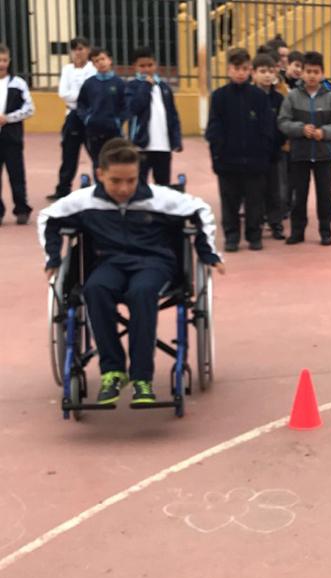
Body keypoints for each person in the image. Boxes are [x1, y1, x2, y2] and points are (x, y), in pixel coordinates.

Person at [38, 139, 224, 405]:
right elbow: (48, 218)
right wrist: (52, 257)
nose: (124, 188)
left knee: (142, 291)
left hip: (154, 263)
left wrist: (208, 252)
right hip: (108, 263)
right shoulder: (86, 201)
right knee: (94, 288)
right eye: (115, 181)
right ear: (100, 174)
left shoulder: (160, 198)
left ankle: (141, 378)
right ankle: (113, 371)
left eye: (131, 180)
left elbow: (201, 210)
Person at [205, 47, 274, 252]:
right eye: (236, 68)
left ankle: (254, 236)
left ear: (250, 70)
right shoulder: (219, 97)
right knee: (229, 201)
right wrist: (217, 155)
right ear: (229, 69)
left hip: (254, 161)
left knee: (254, 201)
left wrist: (264, 154)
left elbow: (267, 128)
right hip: (228, 161)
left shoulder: (259, 97)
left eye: (245, 68)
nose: (240, 72)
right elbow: (214, 129)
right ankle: (232, 236)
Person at [278, 51, 331, 246]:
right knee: (299, 196)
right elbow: (283, 121)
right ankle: (298, 231)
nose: (312, 75)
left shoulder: (330, 98)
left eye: (316, 72)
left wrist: (324, 132)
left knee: (325, 196)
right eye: (308, 71)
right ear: (303, 73)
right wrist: (300, 129)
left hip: (324, 156)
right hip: (299, 155)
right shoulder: (293, 97)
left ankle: (325, 231)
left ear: (322, 73)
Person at [125, 46, 183, 186]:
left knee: (163, 184)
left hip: (163, 146)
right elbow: (134, 107)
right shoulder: (131, 86)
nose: (146, 69)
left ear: (155, 65)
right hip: (141, 146)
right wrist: (145, 86)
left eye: (150, 65)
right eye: (142, 66)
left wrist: (176, 140)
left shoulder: (164, 88)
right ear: (135, 67)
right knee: (139, 183)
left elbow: (172, 115)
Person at [48, 37, 96, 201]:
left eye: (81, 48)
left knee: (95, 152)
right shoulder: (67, 69)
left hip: (90, 116)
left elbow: (91, 93)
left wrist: (79, 98)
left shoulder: (92, 69)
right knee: (69, 154)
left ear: (88, 50)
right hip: (72, 115)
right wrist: (80, 98)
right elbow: (63, 93)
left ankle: (100, 185)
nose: (78, 52)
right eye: (75, 49)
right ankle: (63, 188)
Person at [251, 52, 290, 240]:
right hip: (254, 153)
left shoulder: (279, 99)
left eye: (270, 71)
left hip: (274, 152)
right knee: (255, 191)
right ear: (254, 73)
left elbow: (283, 124)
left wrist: (281, 141)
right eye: (262, 71)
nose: (267, 75)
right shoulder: (249, 97)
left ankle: (276, 224)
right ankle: (256, 224)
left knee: (275, 191)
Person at [0, 43, 35, 226]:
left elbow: (29, 109)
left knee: (16, 174)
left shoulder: (18, 83)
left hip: (11, 136)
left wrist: (8, 118)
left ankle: (21, 209)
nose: (2, 64)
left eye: (5, 60)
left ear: (9, 60)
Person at [77, 48, 127, 169]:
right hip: (94, 131)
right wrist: (87, 119)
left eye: (103, 59)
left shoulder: (119, 83)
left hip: (114, 131)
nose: (101, 63)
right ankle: (99, 186)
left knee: (115, 162)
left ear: (110, 60)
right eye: (96, 61)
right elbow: (81, 104)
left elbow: (125, 105)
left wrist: (118, 121)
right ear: (93, 65)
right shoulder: (89, 83)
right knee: (98, 164)